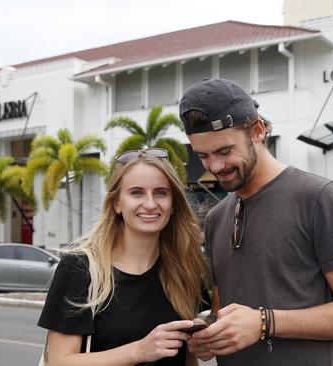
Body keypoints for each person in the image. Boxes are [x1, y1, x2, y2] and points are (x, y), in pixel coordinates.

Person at [179, 79, 333, 365]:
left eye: (224, 151)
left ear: (257, 130)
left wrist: (264, 322)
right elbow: (223, 310)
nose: (215, 167)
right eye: (203, 156)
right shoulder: (216, 218)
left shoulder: (318, 197)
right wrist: (209, 335)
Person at [38, 149, 209, 365]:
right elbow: (59, 361)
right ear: (116, 203)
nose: (150, 204)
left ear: (173, 204)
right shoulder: (80, 269)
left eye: (161, 193)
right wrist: (139, 350)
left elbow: (188, 358)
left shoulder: (186, 270)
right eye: (136, 193)